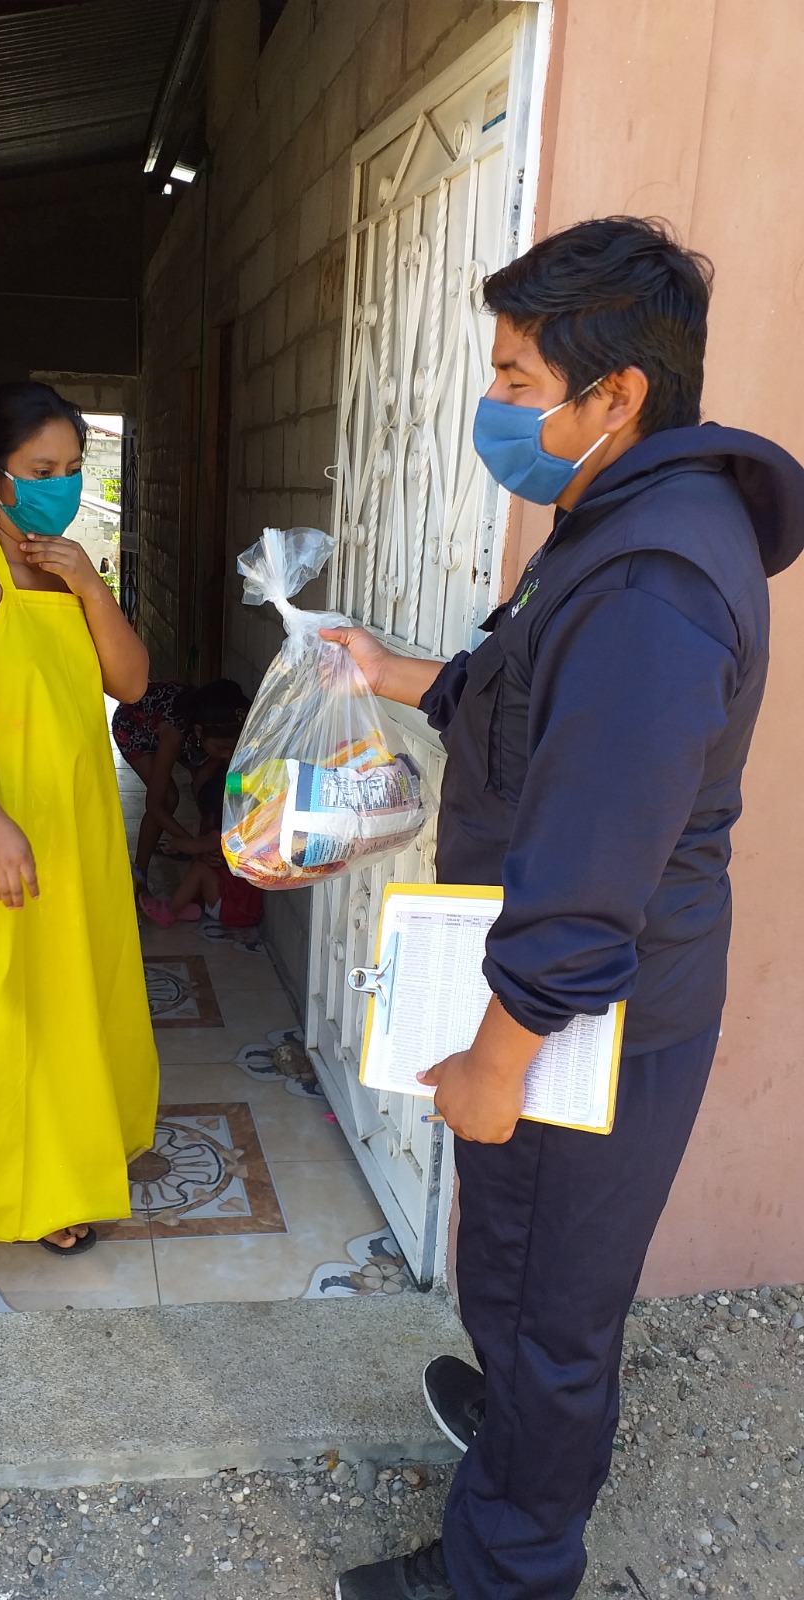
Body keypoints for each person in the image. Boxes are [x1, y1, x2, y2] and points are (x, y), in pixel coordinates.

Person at [325, 218, 804, 1600]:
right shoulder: (613, 519)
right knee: (525, 1270)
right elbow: (529, 702)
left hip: (588, 1008)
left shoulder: (654, 577)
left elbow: (596, 857)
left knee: (549, 1295)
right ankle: (524, 1431)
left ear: (617, 394)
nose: (494, 403)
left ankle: (508, 1564)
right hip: (573, 985)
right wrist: (396, 674)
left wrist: (499, 1055)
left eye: (517, 378)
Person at [0, 381, 158, 1256]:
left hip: (73, 828)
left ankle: (70, 1171)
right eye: (41, 471)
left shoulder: (70, 566)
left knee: (74, 997)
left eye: (73, 469)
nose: (62, 486)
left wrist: (89, 584)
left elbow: (130, 682)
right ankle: (7, 1181)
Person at [112, 678, 250, 879]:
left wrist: (206, 842)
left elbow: (200, 786)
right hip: (133, 725)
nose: (228, 756)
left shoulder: (217, 729)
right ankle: (139, 876)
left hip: (187, 733)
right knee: (167, 798)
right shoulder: (174, 733)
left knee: (211, 786)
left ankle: (199, 865)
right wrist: (193, 845)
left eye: (232, 749)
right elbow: (154, 805)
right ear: (199, 732)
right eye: (222, 748)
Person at [137, 772, 264, 931]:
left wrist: (175, 843)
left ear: (211, 815)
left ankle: (168, 912)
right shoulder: (243, 830)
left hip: (230, 908)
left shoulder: (221, 835)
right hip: (246, 909)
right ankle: (186, 908)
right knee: (205, 866)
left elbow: (194, 846)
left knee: (199, 870)